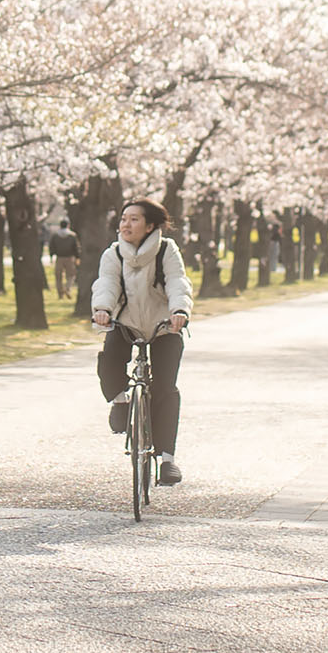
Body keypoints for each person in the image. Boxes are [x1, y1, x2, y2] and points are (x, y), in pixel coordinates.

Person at [91, 200, 194, 486]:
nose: (126, 225)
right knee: (108, 361)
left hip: (164, 326)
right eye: (124, 219)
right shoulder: (113, 253)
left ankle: (167, 460)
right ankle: (121, 401)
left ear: (150, 226)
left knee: (164, 388)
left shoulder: (166, 250)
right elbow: (107, 283)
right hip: (126, 324)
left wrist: (180, 312)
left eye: (134, 220)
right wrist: (102, 309)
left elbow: (178, 283)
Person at [49, 220, 80, 299]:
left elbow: (51, 246)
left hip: (59, 257)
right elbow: (76, 247)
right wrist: (77, 257)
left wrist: (51, 256)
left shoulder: (55, 235)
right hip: (70, 257)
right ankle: (67, 288)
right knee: (71, 275)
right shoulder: (72, 235)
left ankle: (60, 293)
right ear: (68, 225)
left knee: (58, 276)